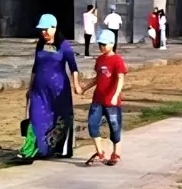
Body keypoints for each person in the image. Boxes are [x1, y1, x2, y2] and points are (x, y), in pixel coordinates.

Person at [18, 14, 80, 163]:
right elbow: (35, 66)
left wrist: (76, 84)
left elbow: (73, 67)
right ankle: (29, 150)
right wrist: (30, 87)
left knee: (59, 119)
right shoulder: (40, 44)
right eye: (41, 30)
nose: (43, 32)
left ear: (54, 28)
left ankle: (57, 148)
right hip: (39, 90)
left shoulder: (64, 45)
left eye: (46, 29)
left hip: (58, 91)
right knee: (35, 117)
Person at [82, 30, 127, 165]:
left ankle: (116, 153)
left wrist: (115, 95)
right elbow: (98, 78)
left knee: (115, 128)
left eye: (104, 44)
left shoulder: (117, 60)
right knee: (92, 125)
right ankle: (100, 152)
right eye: (100, 44)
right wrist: (84, 88)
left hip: (112, 102)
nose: (101, 47)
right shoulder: (100, 59)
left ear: (112, 44)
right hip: (98, 100)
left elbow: (120, 79)